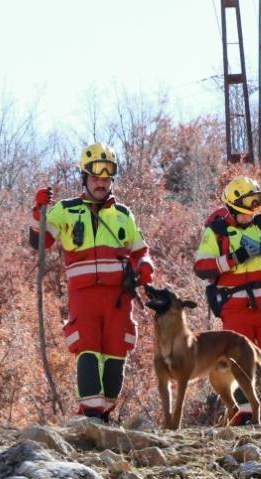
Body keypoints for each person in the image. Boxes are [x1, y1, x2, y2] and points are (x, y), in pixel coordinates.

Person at [30, 143, 154, 423]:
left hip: (118, 298)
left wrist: (145, 266)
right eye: (95, 178)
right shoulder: (65, 210)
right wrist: (39, 210)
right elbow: (39, 242)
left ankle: (105, 410)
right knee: (86, 349)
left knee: (115, 358)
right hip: (83, 296)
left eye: (106, 178)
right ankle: (90, 417)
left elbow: (139, 250)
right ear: (84, 178)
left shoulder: (123, 214)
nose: (101, 183)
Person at [193, 176, 261, 424]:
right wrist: (233, 258)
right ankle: (244, 415)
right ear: (232, 207)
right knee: (237, 361)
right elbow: (201, 267)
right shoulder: (216, 232)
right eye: (245, 209)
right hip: (236, 308)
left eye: (254, 208)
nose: (251, 214)